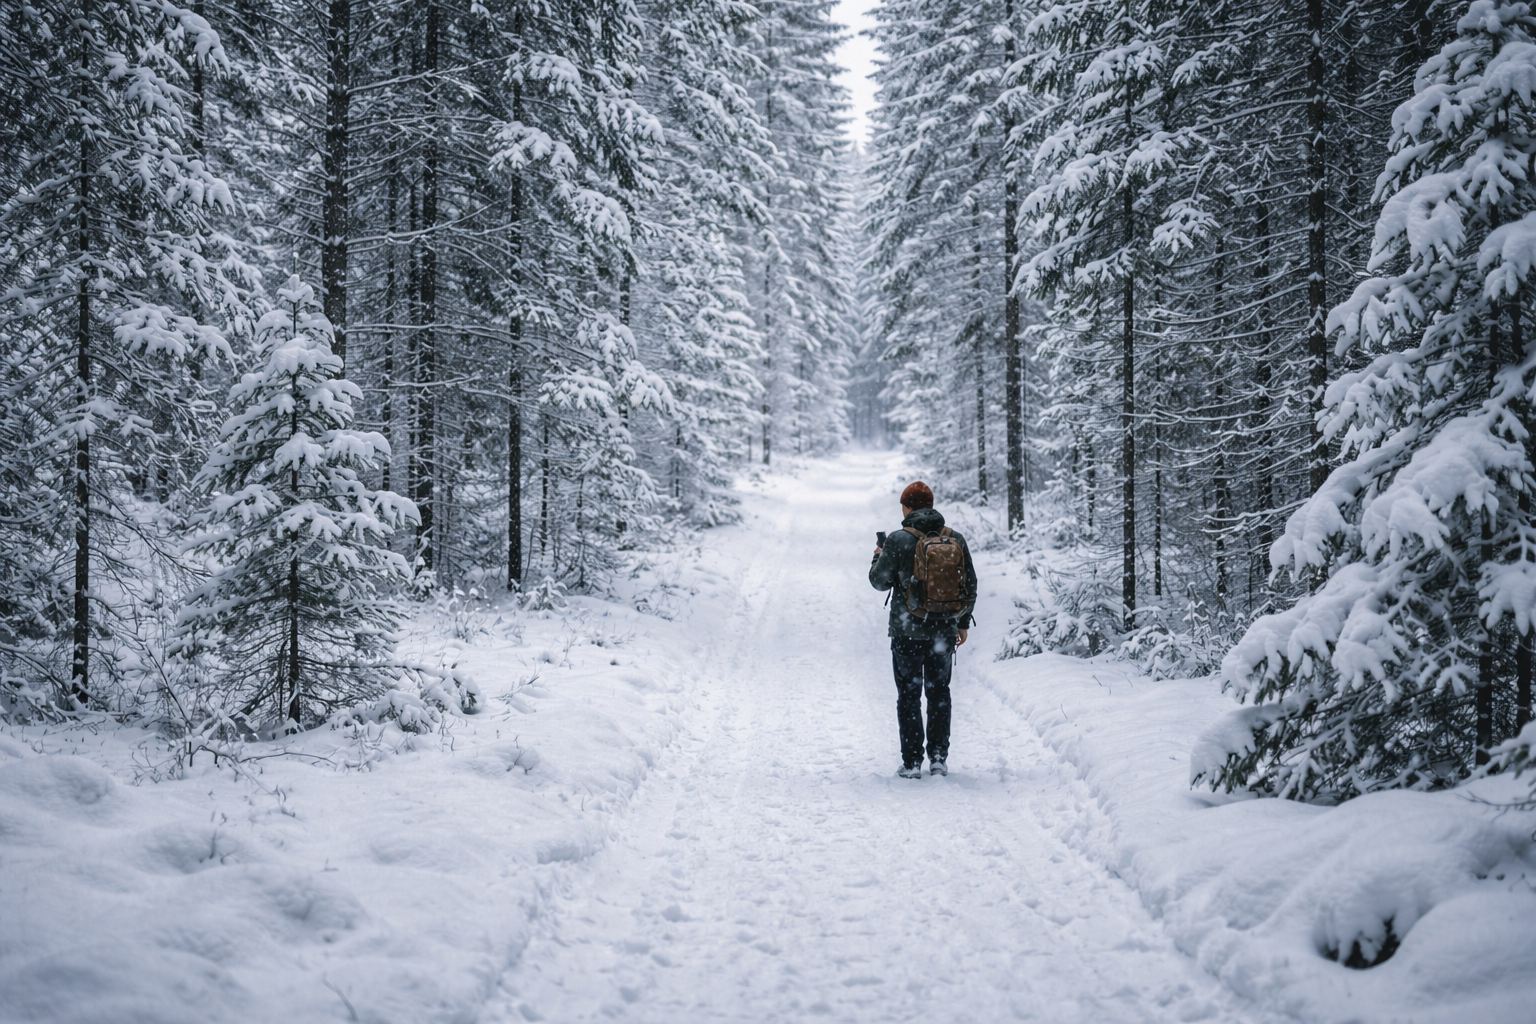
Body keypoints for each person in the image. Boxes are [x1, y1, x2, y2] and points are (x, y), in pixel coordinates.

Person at [868, 481, 978, 778]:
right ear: (930, 505)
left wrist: (878, 554)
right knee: (939, 692)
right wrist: (962, 623)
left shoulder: (898, 540)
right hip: (943, 631)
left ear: (907, 508)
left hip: (907, 632)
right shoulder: (954, 538)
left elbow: (879, 582)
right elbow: (970, 583)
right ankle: (939, 758)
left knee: (908, 695)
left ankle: (912, 762)